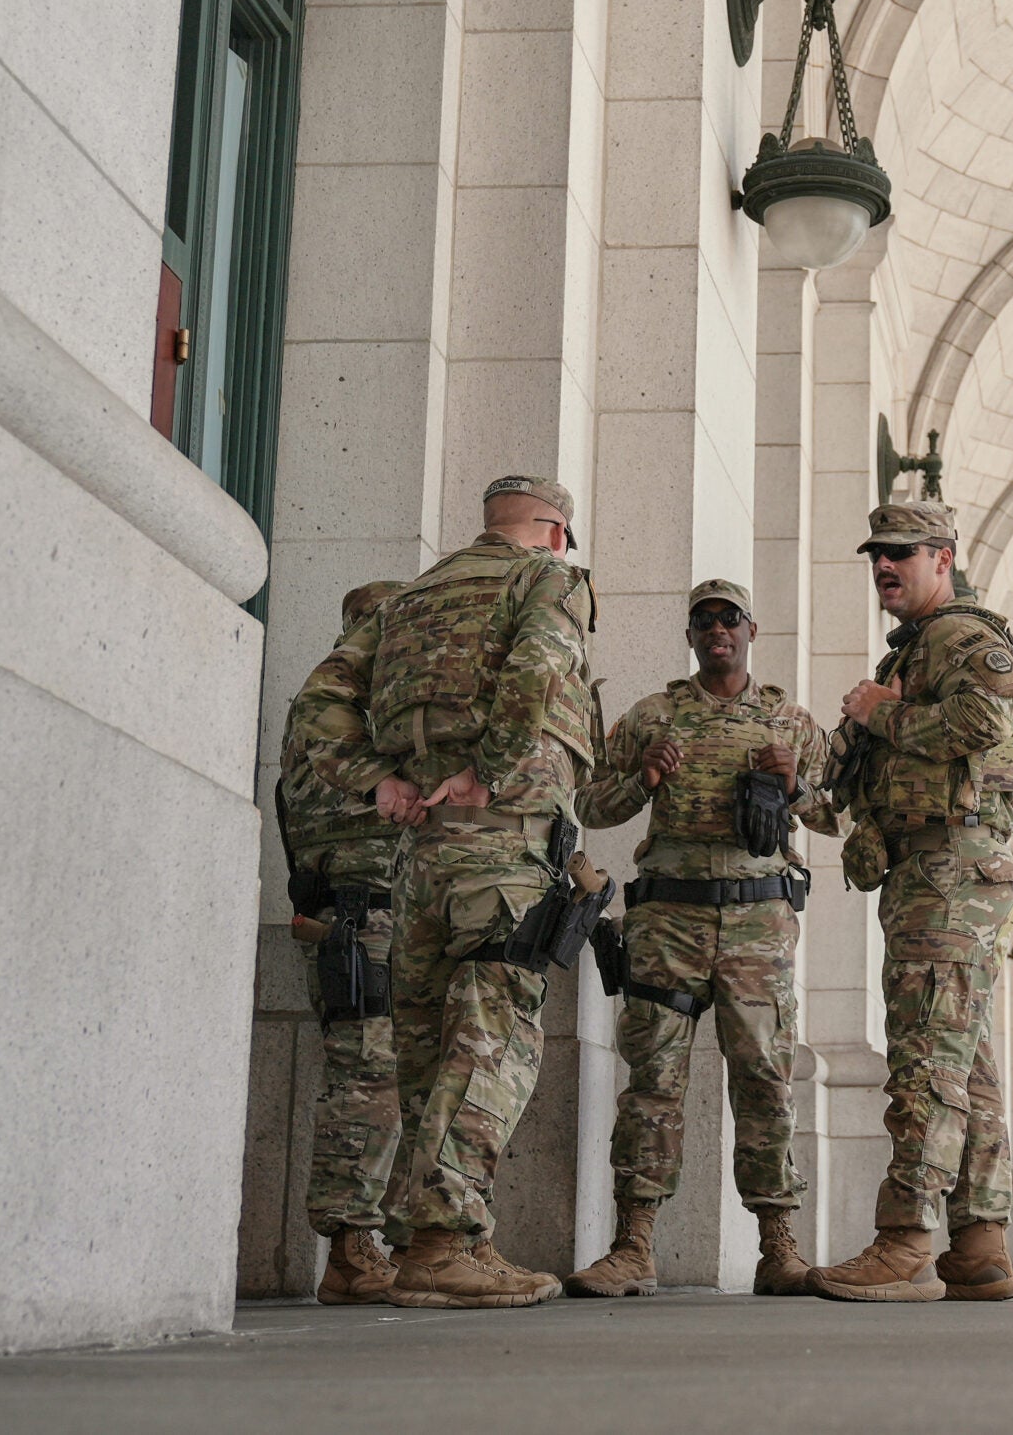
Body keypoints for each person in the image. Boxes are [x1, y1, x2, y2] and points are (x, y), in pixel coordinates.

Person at [309, 474, 599, 1309]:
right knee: (493, 1042)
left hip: (420, 861)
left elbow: (322, 698)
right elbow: (538, 669)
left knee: (430, 1054)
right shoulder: (547, 580)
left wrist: (380, 781)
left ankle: (441, 1243)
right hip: (501, 849)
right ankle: (441, 1243)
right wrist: (491, 770)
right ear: (555, 532)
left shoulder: (411, 596)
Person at [566, 579, 838, 1299]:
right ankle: (634, 1246)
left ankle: (778, 1246)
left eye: (730, 618)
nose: (717, 629)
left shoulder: (789, 720)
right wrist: (644, 778)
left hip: (758, 926)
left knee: (765, 1080)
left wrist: (798, 788)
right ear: (690, 636)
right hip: (669, 922)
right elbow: (589, 800)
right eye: (703, 620)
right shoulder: (653, 716)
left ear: (752, 630)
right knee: (653, 1080)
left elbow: (843, 814)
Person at [809, 501, 1013, 1303]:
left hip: (949, 873)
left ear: (944, 557)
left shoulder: (962, 637)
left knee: (926, 1056)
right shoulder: (918, 644)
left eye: (902, 551)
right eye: (876, 553)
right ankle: (978, 1242)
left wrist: (882, 711)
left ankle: (905, 1240)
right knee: (965, 1060)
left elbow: (981, 720)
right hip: (937, 873)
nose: (884, 565)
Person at [277, 579, 408, 1304]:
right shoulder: (338, 714)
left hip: (383, 916)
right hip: (359, 920)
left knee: (397, 1081)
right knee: (367, 1081)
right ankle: (351, 1250)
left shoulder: (342, 709)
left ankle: (398, 1243)